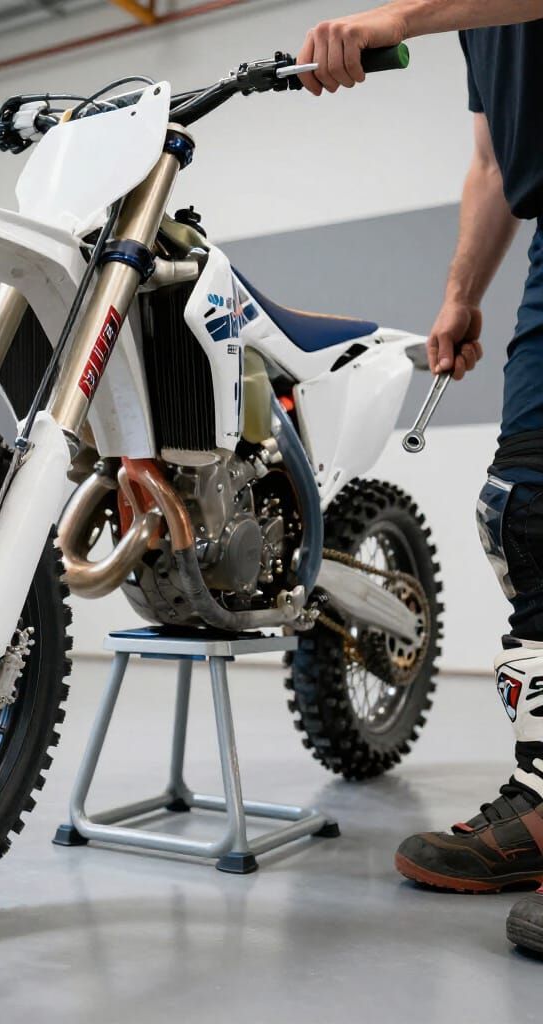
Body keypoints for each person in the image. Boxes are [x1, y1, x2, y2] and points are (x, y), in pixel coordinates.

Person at [296, 0, 543, 955]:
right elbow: (495, 161)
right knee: (528, 518)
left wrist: (396, 19)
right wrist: (459, 297)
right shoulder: (483, 26)